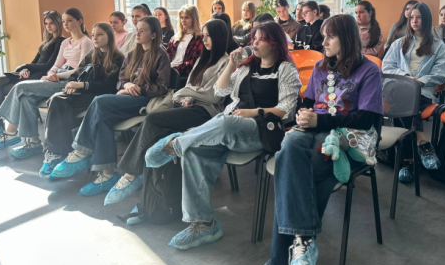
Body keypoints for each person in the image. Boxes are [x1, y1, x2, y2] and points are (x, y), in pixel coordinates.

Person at [145, 21, 301, 250]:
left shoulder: (285, 69)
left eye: (261, 39)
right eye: (254, 38)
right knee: (195, 151)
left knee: (225, 121)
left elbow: (287, 110)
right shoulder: (247, 67)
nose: (255, 43)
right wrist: (231, 65)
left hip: (262, 130)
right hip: (229, 126)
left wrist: (254, 112)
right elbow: (220, 91)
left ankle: (176, 143)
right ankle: (203, 224)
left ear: (275, 43)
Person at [259, 14, 383, 265]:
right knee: (288, 149)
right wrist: (303, 114)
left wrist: (321, 121)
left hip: (343, 135)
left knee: (298, 169)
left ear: (346, 39)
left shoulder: (369, 71)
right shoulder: (320, 66)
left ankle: (282, 257)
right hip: (313, 128)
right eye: (324, 36)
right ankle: (303, 240)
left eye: (330, 37)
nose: (323, 42)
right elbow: (308, 101)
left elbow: (367, 119)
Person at [105, 19, 230, 206]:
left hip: (206, 111)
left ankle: (131, 173)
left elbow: (213, 96)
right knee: (155, 139)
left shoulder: (226, 62)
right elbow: (188, 87)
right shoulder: (201, 60)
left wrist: (188, 94)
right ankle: (149, 205)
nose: (204, 40)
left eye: (208, 36)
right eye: (203, 35)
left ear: (219, 37)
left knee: (153, 120)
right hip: (188, 105)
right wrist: (186, 96)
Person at [49, 17, 171, 197]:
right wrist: (127, 85)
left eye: (143, 31)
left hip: (144, 100)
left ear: (153, 35)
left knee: (99, 101)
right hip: (126, 97)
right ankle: (107, 175)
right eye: (137, 29)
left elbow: (162, 87)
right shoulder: (132, 54)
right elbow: (120, 81)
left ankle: (81, 151)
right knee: (103, 120)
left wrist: (138, 89)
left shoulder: (161, 55)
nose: (137, 33)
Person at [0, 8, 94, 153]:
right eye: (64, 21)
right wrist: (51, 73)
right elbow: (56, 65)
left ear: (80, 21)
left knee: (20, 87)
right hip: (57, 76)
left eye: (69, 21)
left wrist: (58, 76)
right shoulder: (66, 42)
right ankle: (33, 143)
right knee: (26, 98)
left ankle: (9, 133)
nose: (66, 24)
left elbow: (80, 70)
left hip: (70, 81)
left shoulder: (86, 42)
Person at [38, 23, 125, 174]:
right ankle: (56, 152)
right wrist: (72, 84)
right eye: (93, 35)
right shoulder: (92, 55)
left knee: (60, 102)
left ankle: (60, 151)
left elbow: (110, 86)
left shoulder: (118, 58)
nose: (95, 38)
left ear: (109, 36)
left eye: (100, 35)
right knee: (55, 99)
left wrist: (82, 85)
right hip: (85, 91)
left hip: (100, 96)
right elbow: (78, 73)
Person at [382, 2, 445, 182]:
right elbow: (387, 66)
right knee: (404, 91)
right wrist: (406, 77)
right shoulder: (399, 43)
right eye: (412, 17)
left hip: (421, 91)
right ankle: (422, 141)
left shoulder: (438, 46)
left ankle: (408, 162)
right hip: (396, 86)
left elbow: (441, 73)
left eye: (419, 17)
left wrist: (421, 81)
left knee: (402, 105)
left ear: (426, 20)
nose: (414, 21)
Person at [0, 11, 65, 142]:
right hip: (31, 71)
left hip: (39, 75)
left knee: (3, 89)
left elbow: (48, 65)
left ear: (58, 23)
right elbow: (35, 61)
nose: (48, 26)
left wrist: (24, 66)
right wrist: (25, 68)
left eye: (52, 23)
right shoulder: (46, 41)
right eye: (46, 23)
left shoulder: (61, 41)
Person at [167, 5, 203, 79]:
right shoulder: (175, 38)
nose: (183, 20)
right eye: (181, 17)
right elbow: (167, 55)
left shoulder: (199, 38)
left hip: (183, 76)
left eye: (186, 17)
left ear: (193, 19)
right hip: (168, 71)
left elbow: (194, 62)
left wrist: (174, 70)